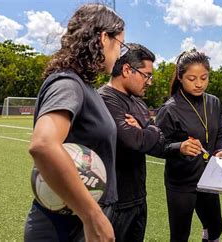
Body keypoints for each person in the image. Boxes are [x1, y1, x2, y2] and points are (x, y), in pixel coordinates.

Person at [24, 3, 124, 241]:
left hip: (79, 221)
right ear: (103, 38)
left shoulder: (84, 85)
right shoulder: (67, 82)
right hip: (64, 227)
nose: (120, 54)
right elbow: (43, 145)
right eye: (120, 44)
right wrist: (93, 216)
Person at [98, 42, 196, 241]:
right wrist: (148, 130)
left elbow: (159, 143)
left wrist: (146, 131)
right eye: (146, 75)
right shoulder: (105, 100)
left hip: (138, 200)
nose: (149, 81)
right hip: (113, 203)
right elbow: (135, 141)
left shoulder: (138, 104)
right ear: (127, 70)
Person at [155, 49, 222, 242]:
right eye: (192, 78)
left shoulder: (214, 102)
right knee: (180, 235)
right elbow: (156, 144)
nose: (199, 84)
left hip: (209, 178)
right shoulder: (169, 109)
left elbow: (221, 133)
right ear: (180, 77)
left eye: (204, 78)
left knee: (215, 228)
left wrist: (221, 150)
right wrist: (178, 147)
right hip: (181, 182)